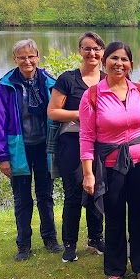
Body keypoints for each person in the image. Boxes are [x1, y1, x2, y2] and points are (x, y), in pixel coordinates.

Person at [79, 41, 140, 279]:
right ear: (105, 62)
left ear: (131, 65)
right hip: (110, 165)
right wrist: (88, 173)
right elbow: (86, 136)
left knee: (139, 214)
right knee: (113, 216)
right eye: (114, 58)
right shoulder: (93, 95)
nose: (119, 64)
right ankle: (115, 269)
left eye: (124, 59)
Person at [0, 39, 62, 261]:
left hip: (44, 148)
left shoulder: (49, 82)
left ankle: (50, 239)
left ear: (38, 57)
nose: (27, 61)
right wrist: (2, 157)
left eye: (31, 56)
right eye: (22, 57)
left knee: (45, 195)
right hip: (18, 149)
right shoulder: (7, 84)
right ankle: (24, 244)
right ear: (15, 59)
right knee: (22, 199)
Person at [46, 32, 106, 263]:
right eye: (87, 48)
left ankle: (95, 238)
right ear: (79, 51)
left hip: (101, 144)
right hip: (72, 142)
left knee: (97, 190)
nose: (93, 53)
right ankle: (70, 244)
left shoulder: (107, 78)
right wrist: (84, 115)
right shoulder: (68, 79)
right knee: (73, 194)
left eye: (97, 48)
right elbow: (53, 111)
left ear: (103, 52)